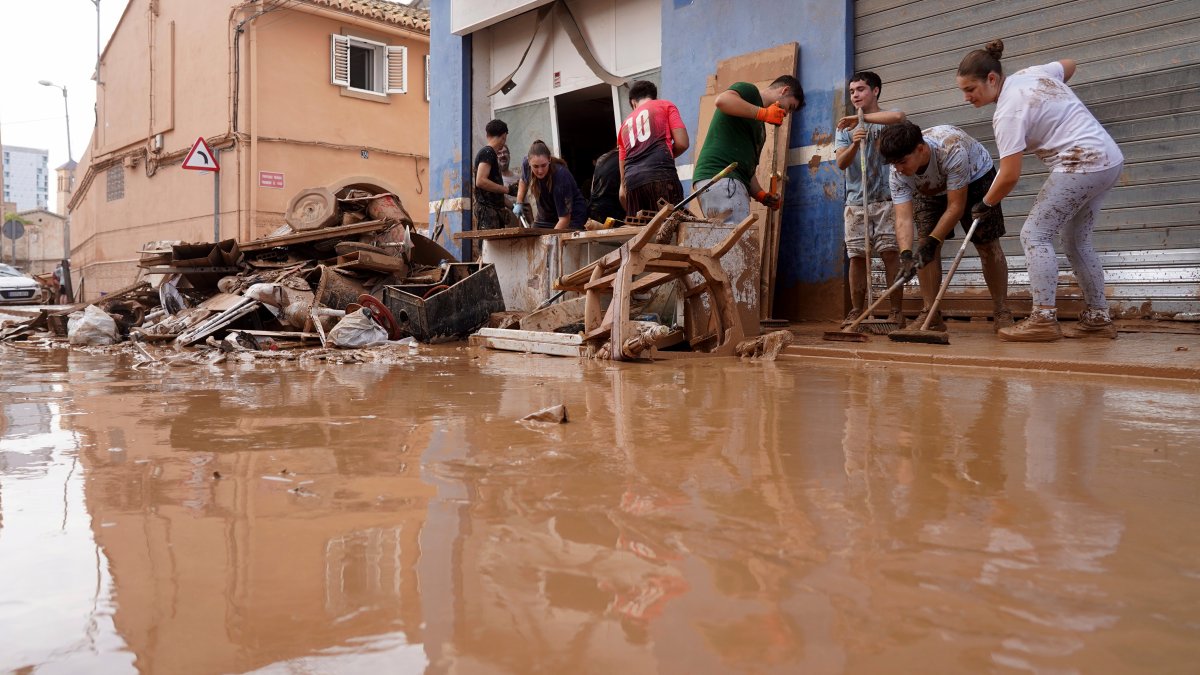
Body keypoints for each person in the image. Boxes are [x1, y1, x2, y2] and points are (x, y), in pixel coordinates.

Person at [957, 39, 1125, 342]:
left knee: (1034, 234)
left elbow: (1009, 175)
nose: (967, 97)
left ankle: (1043, 318)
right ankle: (1098, 317)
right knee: (1075, 239)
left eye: (971, 89)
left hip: (1081, 163)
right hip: (1108, 160)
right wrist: (1052, 99)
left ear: (991, 79)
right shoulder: (1032, 74)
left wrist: (986, 202)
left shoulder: (1007, 112)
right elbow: (1069, 64)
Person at [878, 121, 1014, 332]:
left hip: (975, 176)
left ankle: (1002, 310)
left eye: (902, 162)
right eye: (894, 164)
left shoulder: (951, 149)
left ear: (921, 149)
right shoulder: (898, 171)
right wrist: (906, 255)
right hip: (928, 188)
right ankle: (930, 314)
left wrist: (934, 241)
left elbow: (956, 207)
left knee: (986, 243)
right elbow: (903, 218)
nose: (898, 169)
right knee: (923, 247)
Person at [833, 71, 908, 327]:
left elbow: (900, 117)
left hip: (887, 199)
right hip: (856, 202)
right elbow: (841, 163)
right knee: (856, 256)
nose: (855, 95)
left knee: (889, 253)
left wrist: (860, 119)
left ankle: (896, 311)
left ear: (875, 91)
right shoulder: (844, 128)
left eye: (861, 89)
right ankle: (857, 310)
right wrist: (854, 143)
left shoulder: (885, 120)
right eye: (852, 91)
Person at [692, 75, 804, 223]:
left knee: (727, 242)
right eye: (789, 107)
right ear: (784, 90)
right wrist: (763, 113)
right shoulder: (749, 92)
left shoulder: (759, 128)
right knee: (737, 243)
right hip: (721, 177)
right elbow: (722, 101)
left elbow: (746, 168)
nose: (786, 114)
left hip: (725, 180)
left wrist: (761, 195)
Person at [618, 80, 689, 215]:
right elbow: (682, 143)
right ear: (654, 97)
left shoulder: (624, 126)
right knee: (670, 229)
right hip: (661, 176)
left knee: (643, 231)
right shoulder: (665, 105)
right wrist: (662, 157)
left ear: (633, 102)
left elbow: (622, 190)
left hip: (633, 183)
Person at [515, 140, 588, 230]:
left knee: (560, 241)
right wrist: (519, 202)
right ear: (529, 162)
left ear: (549, 159)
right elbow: (523, 180)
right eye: (536, 166)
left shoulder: (561, 175)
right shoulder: (526, 164)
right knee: (534, 237)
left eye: (543, 165)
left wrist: (551, 240)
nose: (540, 171)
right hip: (546, 216)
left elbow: (564, 219)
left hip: (572, 216)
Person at [473, 119, 518, 230]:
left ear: (487, 134)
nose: (503, 143)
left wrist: (513, 207)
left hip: (493, 212)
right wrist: (507, 189)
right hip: (487, 213)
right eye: (504, 139)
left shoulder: (489, 153)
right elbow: (480, 181)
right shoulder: (488, 152)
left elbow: (493, 194)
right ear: (503, 136)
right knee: (489, 246)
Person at [589, 146, 626, 223]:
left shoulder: (601, 158)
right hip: (613, 213)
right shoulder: (624, 158)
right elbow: (623, 194)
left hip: (594, 211)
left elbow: (592, 189)